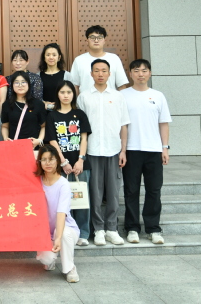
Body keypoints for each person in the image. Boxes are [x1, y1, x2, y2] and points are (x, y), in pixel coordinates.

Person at [77, 58, 130, 247]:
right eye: (97, 70)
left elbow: (124, 125)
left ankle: (112, 229)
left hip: (113, 150)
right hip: (92, 150)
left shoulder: (118, 96)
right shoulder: (84, 97)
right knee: (95, 192)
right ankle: (98, 229)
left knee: (113, 192)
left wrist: (123, 150)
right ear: (91, 74)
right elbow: (81, 128)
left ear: (109, 74)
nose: (100, 74)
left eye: (104, 70)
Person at [121, 59, 171, 245]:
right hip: (132, 149)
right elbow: (122, 125)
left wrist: (165, 148)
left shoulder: (158, 96)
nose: (140, 74)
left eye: (144, 70)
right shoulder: (123, 95)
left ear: (149, 73)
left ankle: (153, 228)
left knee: (154, 190)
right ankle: (132, 228)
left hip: (154, 150)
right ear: (130, 74)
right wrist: (122, 150)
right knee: (131, 190)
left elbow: (163, 123)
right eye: (136, 70)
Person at [44, 81, 92, 246]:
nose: (66, 95)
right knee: (62, 201)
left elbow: (84, 138)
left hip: (80, 164)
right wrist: (63, 161)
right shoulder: (52, 116)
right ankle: (64, 232)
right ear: (57, 94)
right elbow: (52, 140)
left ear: (73, 94)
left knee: (81, 198)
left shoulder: (80, 114)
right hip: (60, 165)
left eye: (69, 92)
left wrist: (81, 160)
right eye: (62, 92)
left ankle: (83, 233)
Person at [35, 145, 80, 283]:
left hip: (66, 228)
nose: (48, 163)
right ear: (39, 162)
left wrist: (58, 238)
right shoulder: (36, 182)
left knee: (63, 234)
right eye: (44, 159)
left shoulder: (63, 184)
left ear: (57, 161)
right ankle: (52, 260)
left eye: (51, 159)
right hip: (45, 232)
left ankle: (70, 268)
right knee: (47, 259)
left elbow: (61, 213)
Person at [69, 25, 129, 94]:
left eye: (100, 38)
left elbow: (121, 85)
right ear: (87, 41)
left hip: (110, 100)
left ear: (104, 41)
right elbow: (75, 86)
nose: (96, 40)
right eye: (92, 37)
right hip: (86, 100)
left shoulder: (114, 59)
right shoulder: (79, 60)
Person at [1, 71, 45, 147]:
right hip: (14, 146)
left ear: (29, 84)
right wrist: (5, 138)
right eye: (16, 82)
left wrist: (39, 140)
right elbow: (5, 126)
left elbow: (44, 126)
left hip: (32, 146)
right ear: (12, 85)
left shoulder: (38, 104)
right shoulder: (7, 104)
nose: (20, 85)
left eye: (23, 82)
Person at [39, 43, 71, 110]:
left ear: (59, 57)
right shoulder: (38, 76)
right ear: (44, 58)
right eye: (48, 55)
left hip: (61, 111)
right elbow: (35, 97)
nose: (51, 57)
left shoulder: (67, 75)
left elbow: (71, 95)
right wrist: (42, 102)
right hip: (43, 111)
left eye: (54, 55)